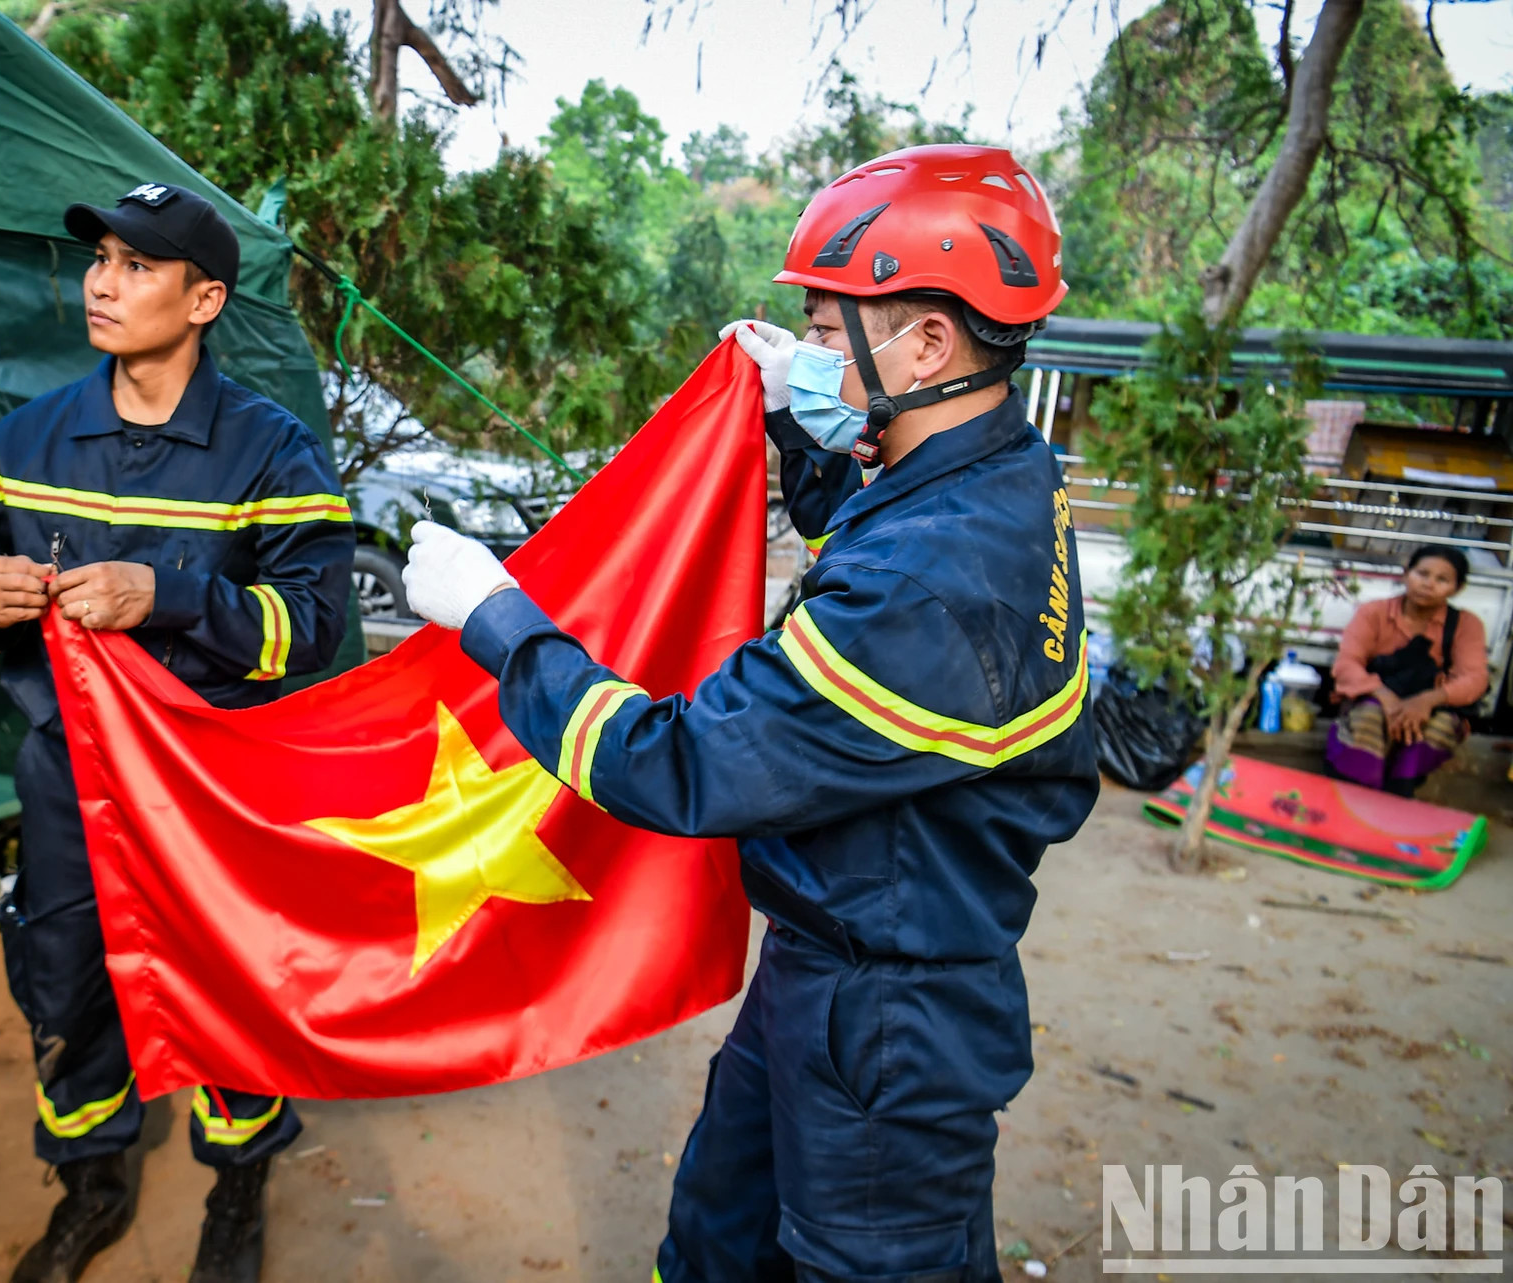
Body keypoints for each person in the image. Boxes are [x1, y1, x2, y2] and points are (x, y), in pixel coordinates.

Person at [403, 144, 1099, 1282]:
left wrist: (495, 620)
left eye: (831, 332)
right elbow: (864, 541)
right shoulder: (998, 475)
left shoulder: (935, 581)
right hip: (833, 963)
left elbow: (676, 763)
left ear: (926, 343)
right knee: (717, 1240)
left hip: (889, 1020)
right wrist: (794, 419)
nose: (814, 352)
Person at [0, 181, 354, 1283]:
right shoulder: (23, 439)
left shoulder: (269, 451)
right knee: (65, 980)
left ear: (205, 297)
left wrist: (164, 594)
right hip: (66, 779)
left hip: (217, 783)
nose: (102, 283)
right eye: (100, 260)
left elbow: (313, 628)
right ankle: (92, 1184)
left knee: (229, 980)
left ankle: (236, 1186)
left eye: (136, 265)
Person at [1325, 545, 1486, 797]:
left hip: (1433, 705)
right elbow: (1347, 663)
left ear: (1458, 588)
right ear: (1406, 573)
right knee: (1369, 717)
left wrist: (1426, 701)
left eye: (1442, 579)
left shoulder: (1466, 624)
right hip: (1375, 698)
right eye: (1422, 574)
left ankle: (1399, 794)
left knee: (1437, 728)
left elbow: (1474, 678)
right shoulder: (1374, 612)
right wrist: (1386, 699)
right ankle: (1355, 797)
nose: (1429, 584)